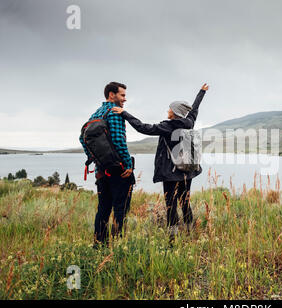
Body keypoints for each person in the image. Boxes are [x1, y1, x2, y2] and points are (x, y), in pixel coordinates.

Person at [111, 83, 209, 242]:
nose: (168, 111)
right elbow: (194, 108)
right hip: (188, 170)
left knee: (170, 204)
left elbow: (143, 128)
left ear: (176, 112)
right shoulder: (189, 122)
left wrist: (125, 113)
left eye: (170, 109)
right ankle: (191, 232)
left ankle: (173, 237)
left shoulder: (167, 126)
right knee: (185, 202)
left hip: (171, 173)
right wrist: (201, 92)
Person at [79, 81, 135, 247]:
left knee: (103, 210)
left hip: (101, 171)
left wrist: (95, 159)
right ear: (112, 95)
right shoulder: (115, 112)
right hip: (119, 171)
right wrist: (127, 165)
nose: (124, 99)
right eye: (122, 95)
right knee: (120, 210)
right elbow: (119, 141)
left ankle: (99, 245)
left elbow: (83, 138)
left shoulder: (97, 113)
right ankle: (118, 248)